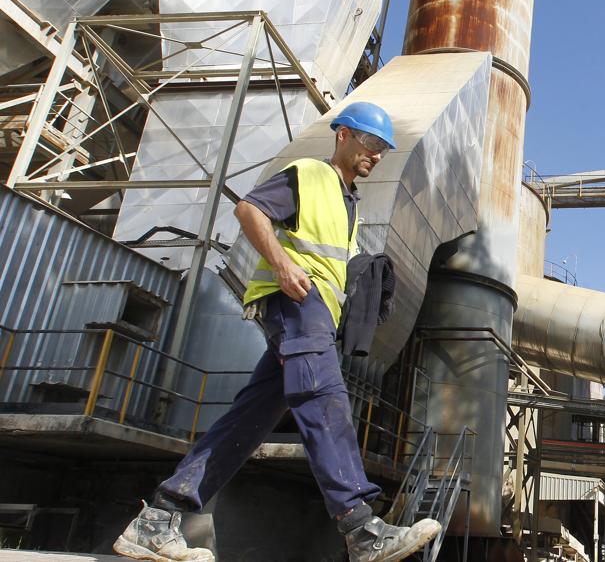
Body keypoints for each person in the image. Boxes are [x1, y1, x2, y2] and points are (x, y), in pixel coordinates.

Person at [113, 102, 440, 562]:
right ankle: (361, 527)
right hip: (294, 302)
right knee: (322, 395)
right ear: (343, 135)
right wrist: (283, 266)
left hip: (317, 312)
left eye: (384, 148)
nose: (377, 154)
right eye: (370, 142)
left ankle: (157, 520)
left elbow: (330, 264)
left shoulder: (350, 202)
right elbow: (250, 210)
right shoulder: (310, 174)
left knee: (249, 421)